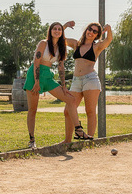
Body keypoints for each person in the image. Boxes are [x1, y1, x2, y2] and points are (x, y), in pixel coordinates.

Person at [23, 21, 83, 149]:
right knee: (33, 110)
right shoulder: (43, 43)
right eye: (54, 29)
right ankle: (32, 140)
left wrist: (63, 86)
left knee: (71, 99)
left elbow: (61, 67)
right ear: (50, 31)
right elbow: (36, 62)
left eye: (59, 29)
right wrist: (37, 82)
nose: (57, 31)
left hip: (49, 76)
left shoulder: (61, 47)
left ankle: (78, 129)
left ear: (62, 32)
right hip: (35, 76)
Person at [63, 22, 113, 140]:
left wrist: (109, 29)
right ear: (86, 30)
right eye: (90, 29)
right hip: (76, 81)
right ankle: (67, 140)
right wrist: (65, 26)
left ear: (97, 35)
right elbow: (61, 39)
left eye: (95, 31)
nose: (91, 32)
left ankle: (90, 139)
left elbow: (108, 40)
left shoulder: (97, 46)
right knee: (68, 111)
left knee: (90, 111)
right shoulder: (76, 44)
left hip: (90, 80)